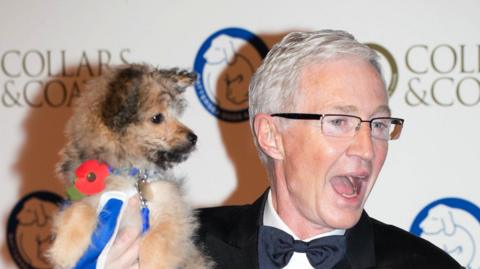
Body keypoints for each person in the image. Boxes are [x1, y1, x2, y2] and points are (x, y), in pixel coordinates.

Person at [104, 30, 462, 269]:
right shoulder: (175, 250)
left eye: (379, 125)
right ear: (271, 135)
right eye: (339, 122)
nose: (367, 149)